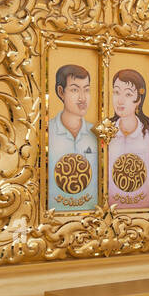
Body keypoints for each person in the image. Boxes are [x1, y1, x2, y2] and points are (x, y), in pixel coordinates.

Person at [48, 63, 99, 210]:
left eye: (87, 90)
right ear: (61, 92)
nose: (83, 98)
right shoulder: (46, 132)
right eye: (75, 90)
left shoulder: (96, 133)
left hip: (90, 218)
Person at [108, 68, 149, 208]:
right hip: (110, 211)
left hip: (144, 211)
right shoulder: (106, 132)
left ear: (139, 99)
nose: (120, 100)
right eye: (116, 92)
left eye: (128, 94)